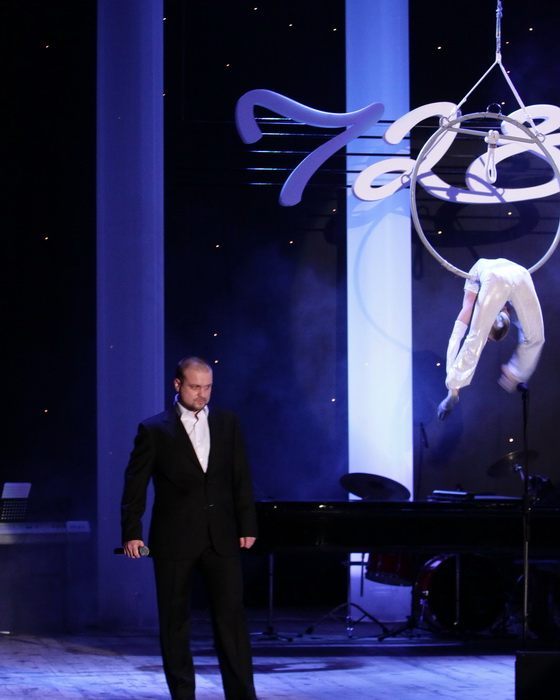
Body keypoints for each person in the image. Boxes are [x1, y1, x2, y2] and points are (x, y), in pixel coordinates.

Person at [121, 356, 259, 700]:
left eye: (208, 387)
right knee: (175, 623)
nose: (202, 394)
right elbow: (135, 485)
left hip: (222, 537)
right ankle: (183, 696)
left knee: (232, 621)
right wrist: (132, 532)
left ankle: (242, 695)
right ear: (177, 384)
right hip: (174, 538)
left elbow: (240, 477)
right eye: (195, 386)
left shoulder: (228, 423)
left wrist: (248, 524)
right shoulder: (154, 429)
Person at [437, 258, 545, 420]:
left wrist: (452, 390)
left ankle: (512, 374)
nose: (485, 339)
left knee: (476, 339)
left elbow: (459, 332)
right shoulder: (504, 306)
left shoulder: (491, 294)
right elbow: (459, 332)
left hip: (509, 274)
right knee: (534, 337)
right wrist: (452, 385)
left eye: (487, 338)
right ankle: (515, 373)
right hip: (518, 274)